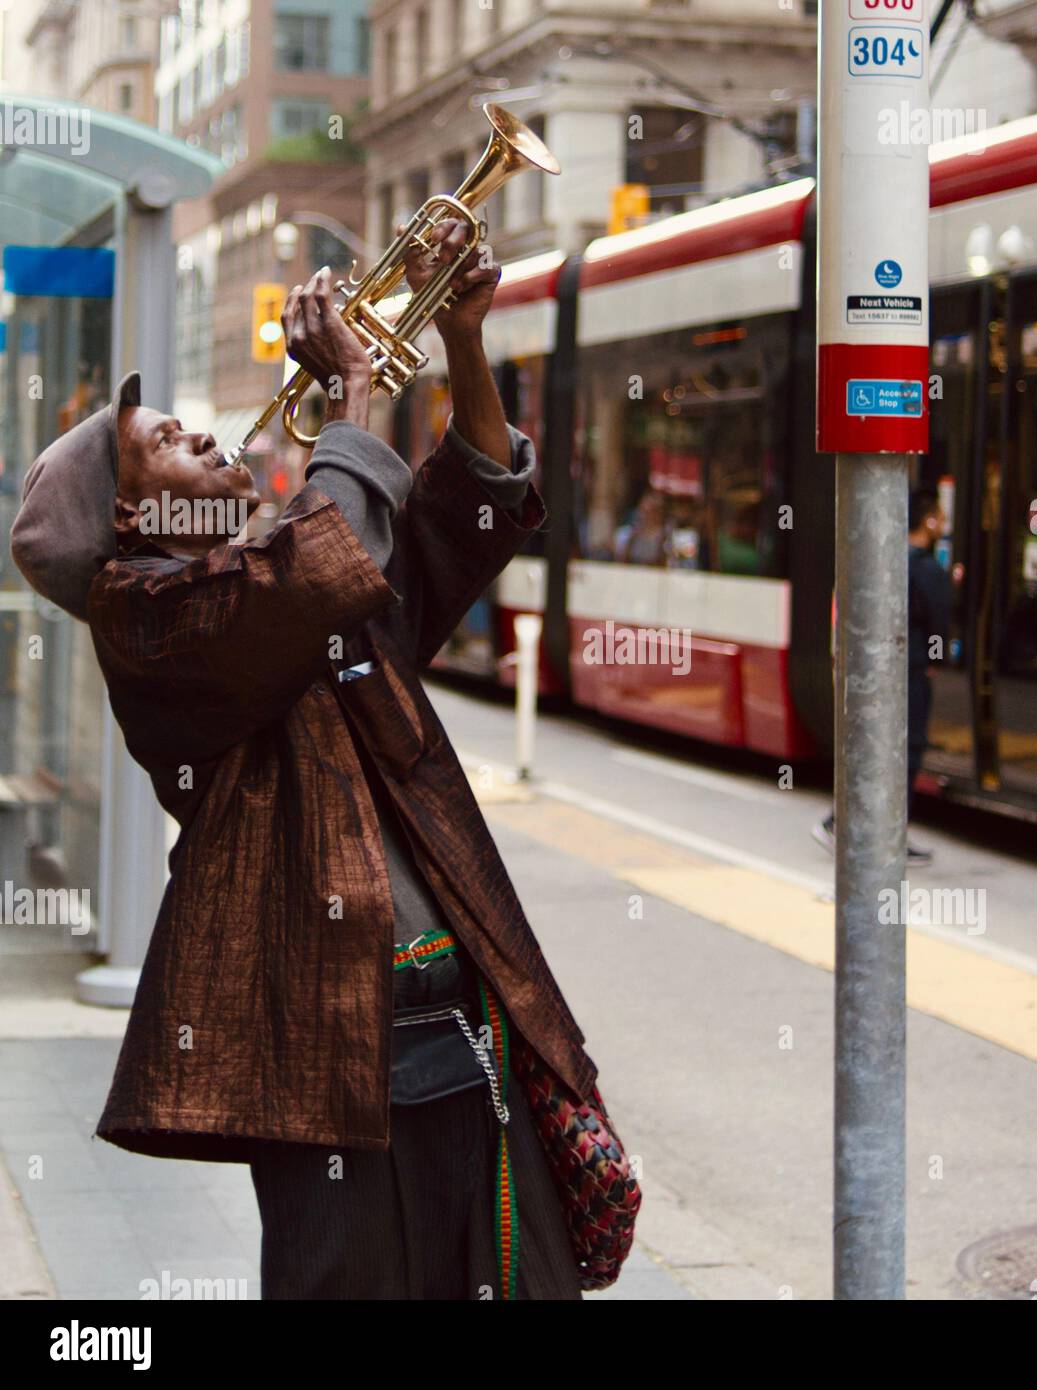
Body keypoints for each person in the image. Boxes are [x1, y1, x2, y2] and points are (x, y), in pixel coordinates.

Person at [9, 219, 603, 1300]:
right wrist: (350, 401)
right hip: (329, 1055)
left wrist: (462, 339)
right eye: (173, 442)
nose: (211, 440)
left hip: (465, 1034)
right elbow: (319, 574)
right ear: (139, 514)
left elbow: (459, 519)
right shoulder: (144, 619)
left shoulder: (281, 571)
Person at [811, 487, 952, 865]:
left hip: (876, 668)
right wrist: (937, 658)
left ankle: (843, 822)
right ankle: (882, 834)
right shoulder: (928, 571)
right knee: (907, 751)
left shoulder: (877, 561)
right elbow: (940, 624)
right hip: (911, 671)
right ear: (929, 521)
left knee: (874, 744)